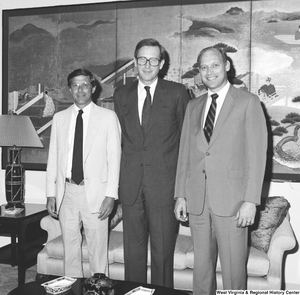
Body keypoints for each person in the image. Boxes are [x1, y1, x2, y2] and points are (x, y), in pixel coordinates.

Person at [174, 46, 267, 294]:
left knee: (233, 273)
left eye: (215, 65)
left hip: (233, 203)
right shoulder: (194, 106)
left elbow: (257, 157)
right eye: (203, 67)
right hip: (197, 201)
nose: (209, 71)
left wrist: (250, 201)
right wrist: (180, 195)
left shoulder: (248, 102)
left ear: (226, 66)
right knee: (201, 271)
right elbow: (185, 154)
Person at [113, 38, 190, 288]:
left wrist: (182, 191)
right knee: (132, 255)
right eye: (142, 59)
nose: (147, 65)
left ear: (162, 63)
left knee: (163, 255)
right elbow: (119, 142)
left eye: (153, 60)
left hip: (164, 187)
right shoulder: (121, 94)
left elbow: (186, 143)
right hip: (131, 187)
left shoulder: (177, 93)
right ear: (135, 62)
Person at [46, 68, 121, 277]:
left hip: (96, 193)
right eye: (76, 85)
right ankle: (72, 288)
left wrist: (110, 196)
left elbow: (115, 159)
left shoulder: (108, 117)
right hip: (67, 193)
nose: (80, 89)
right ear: (70, 89)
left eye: (85, 84)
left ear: (93, 88)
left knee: (97, 251)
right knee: (70, 250)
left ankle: (99, 289)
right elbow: (53, 159)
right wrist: (50, 194)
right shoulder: (59, 119)